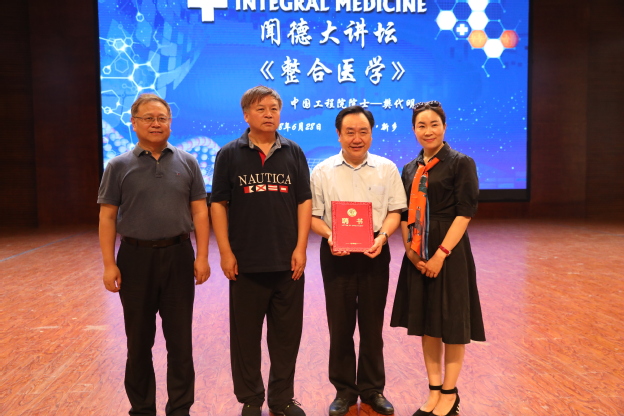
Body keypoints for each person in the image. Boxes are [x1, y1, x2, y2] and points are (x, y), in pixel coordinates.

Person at [98, 93, 210, 416]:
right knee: (138, 341)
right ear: (134, 123)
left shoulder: (188, 162)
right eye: (148, 118)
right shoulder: (118, 166)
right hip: (134, 259)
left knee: (180, 341)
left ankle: (180, 408)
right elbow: (107, 216)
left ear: (170, 123)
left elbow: (200, 212)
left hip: (178, 256)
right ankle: (142, 408)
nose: (156, 123)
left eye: (162, 118)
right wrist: (109, 264)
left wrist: (202, 256)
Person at [210, 86, 312, 416]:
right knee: (246, 338)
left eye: (273, 108)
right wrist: (225, 252)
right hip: (245, 263)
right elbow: (218, 203)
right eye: (260, 108)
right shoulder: (229, 153)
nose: (268, 114)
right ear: (246, 115)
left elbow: (304, 201)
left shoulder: (294, 152)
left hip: (288, 262)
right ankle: (251, 399)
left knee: (286, 337)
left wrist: (301, 247)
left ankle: (282, 399)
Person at [390, 101, 486, 416]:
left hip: (450, 252)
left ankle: (450, 393)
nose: (428, 131)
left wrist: (441, 255)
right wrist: (410, 251)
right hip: (418, 252)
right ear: (414, 130)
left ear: (444, 127)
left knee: (452, 323)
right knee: (427, 324)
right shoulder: (409, 168)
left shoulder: (461, 163)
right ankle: (433, 391)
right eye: (421, 125)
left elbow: (465, 213)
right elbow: (405, 213)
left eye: (434, 124)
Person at [310, 106, 407, 416]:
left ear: (371, 134)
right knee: (340, 326)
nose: (357, 138)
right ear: (338, 134)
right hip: (335, 252)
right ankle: (344, 392)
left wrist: (383, 237)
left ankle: (373, 390)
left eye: (363, 131)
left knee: (371, 325)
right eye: (350, 132)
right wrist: (330, 236)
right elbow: (313, 217)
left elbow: (395, 211)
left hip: (374, 251)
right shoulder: (322, 171)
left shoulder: (387, 168)